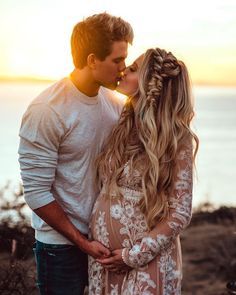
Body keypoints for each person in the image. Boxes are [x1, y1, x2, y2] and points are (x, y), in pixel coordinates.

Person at [18, 13, 133, 295]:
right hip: (60, 247)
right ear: (93, 60)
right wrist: (83, 243)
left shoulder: (115, 105)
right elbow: (36, 192)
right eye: (117, 60)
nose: (124, 67)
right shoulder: (48, 109)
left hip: (106, 241)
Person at [89, 47, 199, 294]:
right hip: (104, 263)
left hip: (145, 264)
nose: (123, 70)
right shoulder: (120, 123)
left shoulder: (175, 138)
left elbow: (180, 212)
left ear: (151, 83)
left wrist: (133, 256)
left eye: (133, 69)